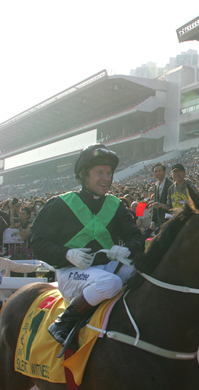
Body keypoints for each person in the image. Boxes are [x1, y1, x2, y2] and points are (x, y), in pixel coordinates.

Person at [31, 144, 144, 351]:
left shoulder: (116, 205)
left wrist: (128, 249)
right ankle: (63, 323)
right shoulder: (59, 204)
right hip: (73, 273)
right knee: (111, 284)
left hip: (108, 269)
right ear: (83, 175)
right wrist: (67, 254)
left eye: (109, 173)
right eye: (99, 172)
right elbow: (37, 243)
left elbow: (135, 236)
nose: (106, 178)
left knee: (144, 275)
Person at [150, 162, 172, 232]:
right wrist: (153, 221)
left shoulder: (170, 185)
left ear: (164, 171)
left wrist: (160, 205)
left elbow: (171, 205)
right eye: (156, 171)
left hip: (169, 220)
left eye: (160, 171)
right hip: (160, 222)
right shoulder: (156, 186)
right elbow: (155, 204)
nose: (158, 173)